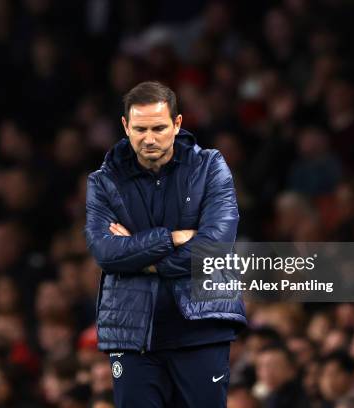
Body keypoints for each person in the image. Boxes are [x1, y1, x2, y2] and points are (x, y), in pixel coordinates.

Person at [85, 81, 247, 408]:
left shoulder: (210, 167)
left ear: (177, 124)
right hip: (131, 333)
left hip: (203, 326)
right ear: (125, 127)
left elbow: (213, 248)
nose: (149, 138)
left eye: (159, 128)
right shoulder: (103, 181)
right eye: (140, 129)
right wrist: (170, 238)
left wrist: (141, 258)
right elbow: (104, 251)